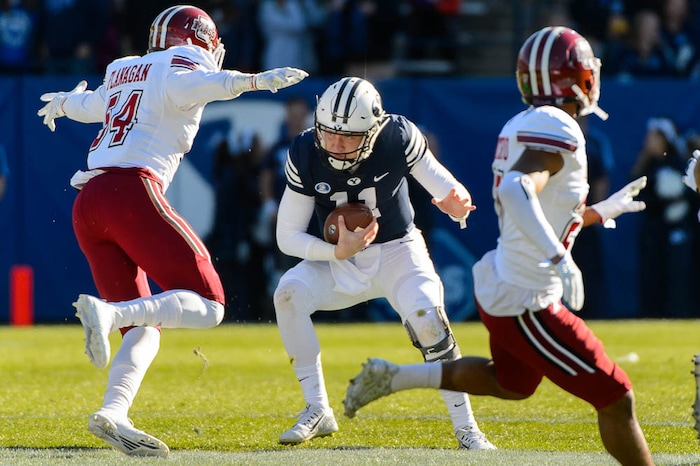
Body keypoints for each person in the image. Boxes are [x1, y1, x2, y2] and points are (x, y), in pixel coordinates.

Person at [343, 27, 654, 465]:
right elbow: (515, 190)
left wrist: (601, 211)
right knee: (616, 397)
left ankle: (393, 378)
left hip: (506, 286)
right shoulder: (557, 125)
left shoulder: (525, 122)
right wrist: (558, 256)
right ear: (577, 77)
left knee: (512, 384)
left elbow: (538, 206)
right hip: (528, 299)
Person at [36, 4, 307, 458]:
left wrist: (63, 102)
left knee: (146, 323)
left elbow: (92, 105)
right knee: (212, 305)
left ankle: (114, 412)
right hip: (131, 193)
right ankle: (110, 315)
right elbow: (203, 83)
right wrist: (253, 81)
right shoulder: (182, 66)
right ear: (196, 40)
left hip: (89, 204)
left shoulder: (125, 68)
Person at [272, 76, 494, 450]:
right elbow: (287, 235)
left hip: (397, 251)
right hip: (340, 260)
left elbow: (442, 183)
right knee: (288, 294)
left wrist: (455, 199)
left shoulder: (398, 137)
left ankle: (467, 426)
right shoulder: (304, 150)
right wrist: (335, 253)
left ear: (374, 130)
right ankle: (316, 408)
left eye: (349, 137)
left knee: (429, 323)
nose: (336, 145)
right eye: (328, 133)